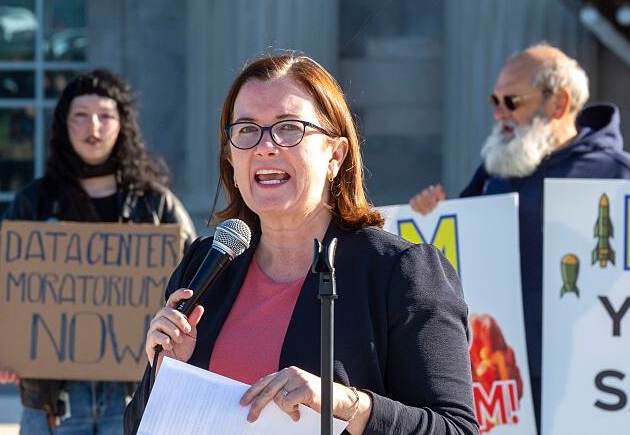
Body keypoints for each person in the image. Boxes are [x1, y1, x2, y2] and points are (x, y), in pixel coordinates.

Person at [125, 53, 478, 435]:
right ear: (231, 158)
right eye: (246, 130)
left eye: (288, 128)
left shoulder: (401, 273)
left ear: (335, 155)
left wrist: (345, 404)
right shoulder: (206, 264)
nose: (265, 147)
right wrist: (166, 373)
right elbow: (138, 427)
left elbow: (455, 429)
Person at [409, 43, 630, 426]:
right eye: (494, 100)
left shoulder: (616, 177)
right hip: (504, 385)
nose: (499, 113)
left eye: (511, 101)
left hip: (591, 388)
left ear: (559, 104)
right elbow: (458, 255)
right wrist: (431, 215)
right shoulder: (496, 171)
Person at [0, 69, 197, 434]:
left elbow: (195, 285)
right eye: (80, 116)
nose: (92, 127)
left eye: (105, 116)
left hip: (134, 392)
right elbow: (0, 289)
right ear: (64, 124)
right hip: (54, 396)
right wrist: (1, 342)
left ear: (122, 125)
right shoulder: (33, 203)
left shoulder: (157, 206)